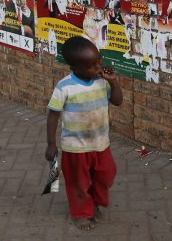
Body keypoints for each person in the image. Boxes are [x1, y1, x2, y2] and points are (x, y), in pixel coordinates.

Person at [45, 37, 123, 230]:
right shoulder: (65, 86)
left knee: (106, 174)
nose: (98, 68)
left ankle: (95, 202)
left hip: (100, 143)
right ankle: (81, 212)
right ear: (74, 67)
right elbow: (53, 114)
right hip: (75, 147)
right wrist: (51, 143)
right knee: (78, 183)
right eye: (91, 65)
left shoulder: (102, 82)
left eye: (99, 61)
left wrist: (114, 83)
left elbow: (118, 101)